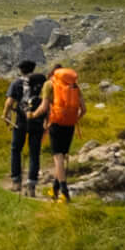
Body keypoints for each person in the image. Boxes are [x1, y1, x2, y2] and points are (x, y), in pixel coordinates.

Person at [39, 64, 85, 201]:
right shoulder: (74, 86)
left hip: (55, 123)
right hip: (70, 124)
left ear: (52, 73)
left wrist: (32, 115)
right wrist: (74, 119)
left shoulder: (49, 84)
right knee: (62, 157)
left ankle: (64, 192)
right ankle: (55, 189)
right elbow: (84, 109)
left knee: (57, 157)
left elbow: (44, 107)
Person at [3, 58, 44, 194]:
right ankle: (32, 185)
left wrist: (6, 115)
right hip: (37, 120)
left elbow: (9, 102)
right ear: (33, 69)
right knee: (34, 152)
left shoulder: (16, 83)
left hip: (21, 121)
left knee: (16, 149)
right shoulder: (41, 82)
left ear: (20, 70)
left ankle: (16, 181)